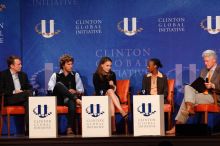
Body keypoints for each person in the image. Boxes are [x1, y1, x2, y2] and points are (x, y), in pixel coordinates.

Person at [166, 49, 220, 134]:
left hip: (214, 97)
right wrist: (195, 86)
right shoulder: (203, 70)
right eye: (204, 61)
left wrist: (213, 85)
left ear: (214, 60)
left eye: (207, 61)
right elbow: (200, 83)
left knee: (186, 100)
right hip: (202, 93)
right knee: (188, 87)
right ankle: (189, 108)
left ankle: (177, 126)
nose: (205, 63)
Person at [48, 54, 83, 135]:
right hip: (58, 99)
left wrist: (75, 91)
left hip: (69, 99)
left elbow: (81, 90)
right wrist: (65, 91)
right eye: (68, 64)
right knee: (59, 84)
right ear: (63, 65)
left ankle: (69, 128)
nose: (71, 66)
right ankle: (76, 100)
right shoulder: (55, 75)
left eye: (72, 64)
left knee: (71, 102)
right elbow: (50, 89)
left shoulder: (75, 75)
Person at [93, 57, 128, 134]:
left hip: (112, 96)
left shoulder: (112, 74)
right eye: (107, 65)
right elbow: (97, 90)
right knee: (109, 92)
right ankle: (121, 112)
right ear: (102, 65)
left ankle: (113, 128)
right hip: (101, 96)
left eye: (110, 66)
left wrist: (113, 86)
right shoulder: (96, 75)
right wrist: (107, 89)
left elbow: (114, 89)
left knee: (110, 95)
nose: (109, 67)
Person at [0, 55, 32, 135]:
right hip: (9, 99)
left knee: (28, 102)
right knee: (28, 95)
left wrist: (24, 91)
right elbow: (1, 90)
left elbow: (29, 87)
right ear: (11, 66)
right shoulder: (3, 74)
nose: (21, 66)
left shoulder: (23, 75)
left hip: (22, 98)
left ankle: (28, 130)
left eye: (21, 64)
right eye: (19, 64)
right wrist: (14, 92)